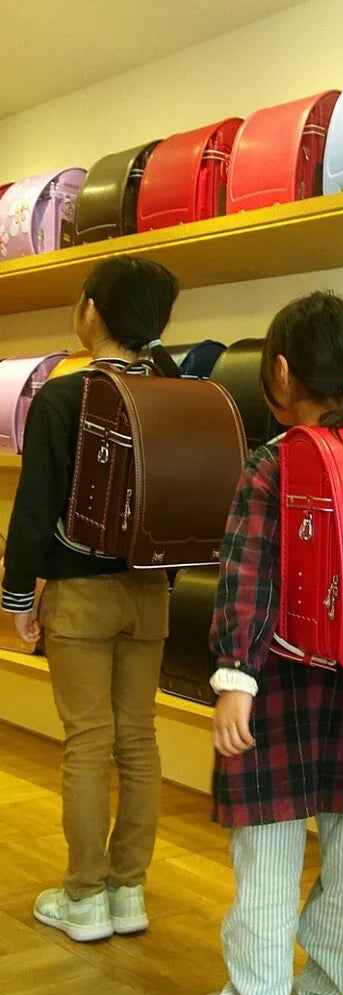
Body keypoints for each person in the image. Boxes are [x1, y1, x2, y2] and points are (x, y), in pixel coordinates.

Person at [196, 292, 343, 995]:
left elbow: (246, 575)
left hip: (278, 691)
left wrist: (235, 680)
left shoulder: (275, 464)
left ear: (280, 371)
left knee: (268, 858)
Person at [2, 255, 180, 942]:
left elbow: (36, 505)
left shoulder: (62, 395)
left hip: (78, 593)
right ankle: (127, 892)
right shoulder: (178, 391)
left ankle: (82, 899)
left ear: (92, 314)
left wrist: (18, 592)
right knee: (138, 739)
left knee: (86, 742)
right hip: (151, 592)